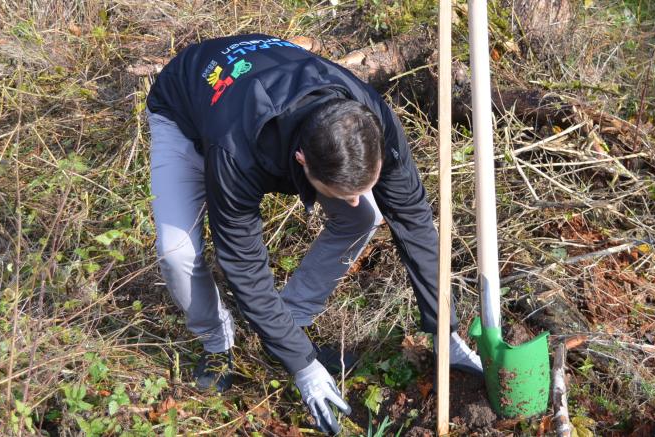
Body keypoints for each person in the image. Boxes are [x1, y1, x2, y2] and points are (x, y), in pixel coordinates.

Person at [146, 34, 482, 434]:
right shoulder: (236, 150)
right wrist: (302, 366)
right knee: (177, 252)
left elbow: (413, 219)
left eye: (364, 186)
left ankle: (292, 317)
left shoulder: (373, 118)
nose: (357, 199)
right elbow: (243, 264)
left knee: (361, 217)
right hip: (189, 107)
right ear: (302, 162)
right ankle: (217, 343)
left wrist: (444, 328)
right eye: (345, 191)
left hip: (270, 65)